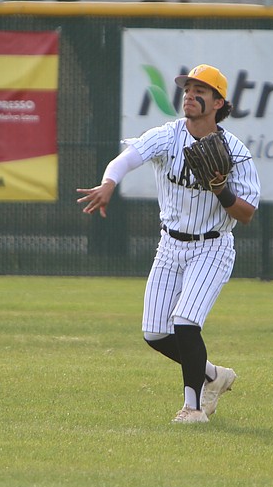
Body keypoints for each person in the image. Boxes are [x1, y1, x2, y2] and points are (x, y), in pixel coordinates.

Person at [76, 64, 261, 424]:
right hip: (170, 246)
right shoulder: (169, 136)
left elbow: (247, 214)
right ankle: (213, 375)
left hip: (212, 246)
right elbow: (127, 158)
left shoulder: (236, 151)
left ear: (219, 102)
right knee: (155, 332)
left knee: (185, 322)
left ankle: (193, 409)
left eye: (200, 91)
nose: (190, 96)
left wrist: (221, 189)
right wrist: (109, 183)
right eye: (187, 90)